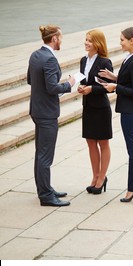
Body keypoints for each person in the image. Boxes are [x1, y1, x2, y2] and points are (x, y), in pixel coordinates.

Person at [27, 25, 76, 207]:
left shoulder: (35, 55)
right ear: (54, 38)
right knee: (45, 156)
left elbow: (31, 80)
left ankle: (44, 189)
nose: (61, 40)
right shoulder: (49, 59)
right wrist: (69, 83)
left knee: (41, 153)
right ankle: (46, 196)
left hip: (37, 110)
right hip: (47, 113)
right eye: (60, 37)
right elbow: (52, 88)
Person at [99, 27, 133, 203]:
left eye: (122, 40)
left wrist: (115, 88)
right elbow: (129, 80)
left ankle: (132, 188)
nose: (120, 43)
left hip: (131, 110)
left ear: (132, 41)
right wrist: (114, 77)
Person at [77, 29, 113, 195]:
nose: (86, 43)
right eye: (86, 39)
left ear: (97, 43)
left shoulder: (105, 62)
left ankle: (102, 177)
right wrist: (81, 87)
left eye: (90, 40)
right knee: (90, 142)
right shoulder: (83, 61)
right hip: (88, 107)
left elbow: (107, 88)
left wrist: (92, 88)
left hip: (101, 108)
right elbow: (83, 80)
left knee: (103, 143)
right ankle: (95, 176)